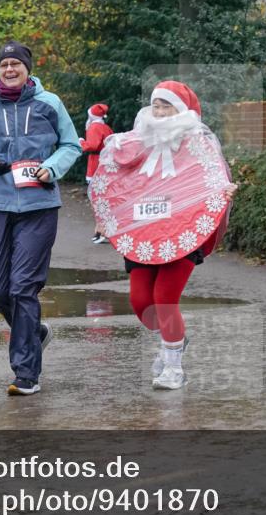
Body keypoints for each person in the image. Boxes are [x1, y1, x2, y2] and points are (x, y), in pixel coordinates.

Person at [89, 81, 237, 390]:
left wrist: (224, 191)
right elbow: (117, 182)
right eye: (155, 104)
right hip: (143, 234)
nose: (158, 111)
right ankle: (174, 339)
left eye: (166, 105)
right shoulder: (135, 142)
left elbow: (211, 177)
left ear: (181, 111)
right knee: (141, 301)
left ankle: (174, 369)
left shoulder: (198, 143)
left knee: (164, 300)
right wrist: (107, 216)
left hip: (183, 233)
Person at [0, 40, 82, 396]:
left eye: (16, 64)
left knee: (22, 288)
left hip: (38, 207)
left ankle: (26, 374)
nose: (9, 69)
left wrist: (51, 168)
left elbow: (71, 144)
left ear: (28, 69)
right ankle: (35, 333)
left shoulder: (50, 103)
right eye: (4, 65)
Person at [80, 103, 114, 243]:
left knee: (97, 198)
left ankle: (102, 231)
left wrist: (80, 142)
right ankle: (101, 229)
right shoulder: (106, 127)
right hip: (107, 164)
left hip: (96, 164)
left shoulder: (94, 127)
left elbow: (92, 145)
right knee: (105, 198)